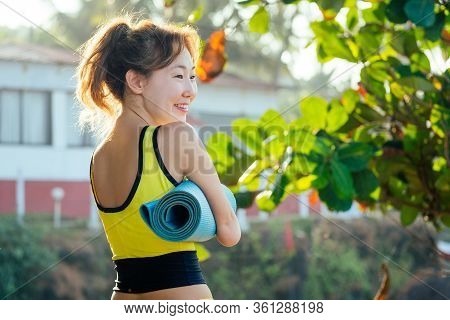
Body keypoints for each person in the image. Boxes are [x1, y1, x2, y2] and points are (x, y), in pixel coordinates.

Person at [76, 15, 241, 300]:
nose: (190, 90)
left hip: (123, 298)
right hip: (181, 298)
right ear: (137, 81)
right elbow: (229, 232)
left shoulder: (98, 158)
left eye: (192, 76)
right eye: (178, 76)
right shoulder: (179, 135)